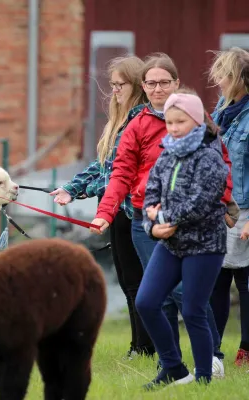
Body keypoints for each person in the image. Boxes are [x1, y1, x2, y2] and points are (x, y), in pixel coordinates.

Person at [88, 53, 231, 376]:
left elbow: (222, 165)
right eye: (150, 83)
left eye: (164, 82)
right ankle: (172, 364)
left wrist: (225, 203)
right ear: (144, 86)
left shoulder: (197, 119)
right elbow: (123, 172)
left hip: (194, 223)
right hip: (147, 221)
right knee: (157, 296)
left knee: (187, 295)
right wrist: (105, 213)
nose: (156, 89)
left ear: (176, 84)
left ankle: (212, 358)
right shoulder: (137, 124)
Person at [49, 55, 154, 359]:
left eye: (120, 84)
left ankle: (145, 346)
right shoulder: (118, 122)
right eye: (113, 85)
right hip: (113, 210)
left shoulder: (140, 120)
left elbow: (121, 175)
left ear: (136, 86)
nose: (115, 91)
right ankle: (139, 345)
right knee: (126, 280)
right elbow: (103, 166)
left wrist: (85, 193)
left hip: (128, 209)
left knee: (136, 281)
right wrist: (72, 188)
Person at [135, 92, 228, 388]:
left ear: (197, 120)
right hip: (170, 243)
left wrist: (163, 219)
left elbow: (201, 202)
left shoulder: (210, 155)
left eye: (180, 122)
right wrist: (152, 226)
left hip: (205, 245)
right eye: (170, 122)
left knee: (192, 310)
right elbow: (151, 192)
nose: (173, 128)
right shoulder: (167, 152)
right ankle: (174, 369)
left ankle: (202, 380)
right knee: (147, 302)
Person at [208, 47, 249, 367]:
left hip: (246, 210)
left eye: (223, 74)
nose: (217, 80)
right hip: (218, 208)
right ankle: (213, 349)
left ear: (238, 78)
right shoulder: (221, 109)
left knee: (246, 283)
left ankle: (247, 349)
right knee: (216, 280)